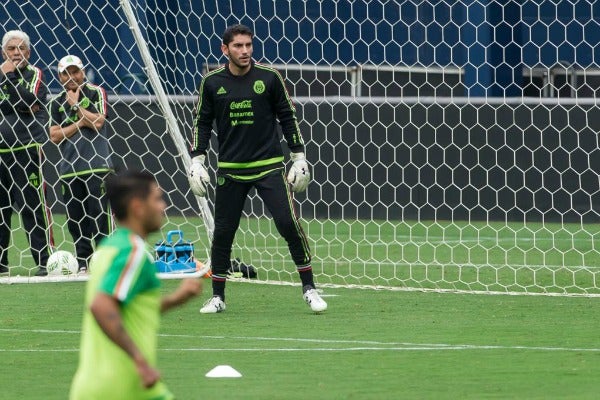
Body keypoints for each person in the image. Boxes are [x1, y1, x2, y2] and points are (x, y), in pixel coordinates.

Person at [188, 24, 327, 313]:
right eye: (238, 46)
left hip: (269, 167)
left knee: (288, 224)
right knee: (224, 232)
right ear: (224, 49)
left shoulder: (270, 78)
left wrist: (299, 157)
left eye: (249, 45)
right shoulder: (212, 82)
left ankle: (310, 288)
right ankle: (217, 297)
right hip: (231, 168)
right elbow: (202, 121)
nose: (245, 51)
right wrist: (197, 159)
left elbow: (287, 116)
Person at [70, 170, 202, 400]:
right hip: (118, 387)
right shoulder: (131, 252)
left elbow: (131, 308)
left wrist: (177, 298)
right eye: (157, 199)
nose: (164, 206)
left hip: (114, 386)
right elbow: (101, 306)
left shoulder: (109, 249)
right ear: (137, 207)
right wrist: (140, 361)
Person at [49, 55, 114, 273]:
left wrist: (76, 105)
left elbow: (98, 122)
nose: (71, 77)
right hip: (69, 170)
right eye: (66, 73)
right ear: (59, 76)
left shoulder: (96, 92)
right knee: (75, 219)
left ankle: (105, 260)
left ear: (83, 72)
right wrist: (79, 123)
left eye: (75, 71)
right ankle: (84, 261)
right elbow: (55, 135)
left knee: (99, 215)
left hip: (97, 166)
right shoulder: (55, 102)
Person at [0, 30, 52, 276]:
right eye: (11, 49)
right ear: (3, 52)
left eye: (21, 49)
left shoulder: (35, 74)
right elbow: (21, 104)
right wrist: (18, 102)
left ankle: (45, 261)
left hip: (26, 149)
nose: (16, 53)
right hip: (0, 152)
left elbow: (29, 103)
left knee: (33, 207)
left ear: (28, 53)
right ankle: (0, 264)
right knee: (0, 209)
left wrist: (9, 77)